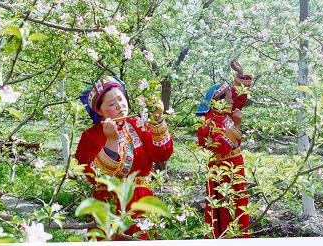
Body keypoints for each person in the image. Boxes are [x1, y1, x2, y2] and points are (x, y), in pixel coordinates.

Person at [75, 76, 173, 240]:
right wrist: (112, 140)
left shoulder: (138, 125)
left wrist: (157, 120)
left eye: (121, 99)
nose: (120, 106)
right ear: (99, 111)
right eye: (112, 104)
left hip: (142, 200)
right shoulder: (90, 136)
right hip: (110, 203)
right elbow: (96, 177)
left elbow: (162, 154)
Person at [196, 61, 252, 238]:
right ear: (218, 101)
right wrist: (236, 125)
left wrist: (241, 74)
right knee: (227, 207)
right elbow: (220, 147)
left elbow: (240, 97)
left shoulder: (224, 113)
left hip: (235, 166)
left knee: (238, 203)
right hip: (223, 170)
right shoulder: (208, 122)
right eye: (228, 96)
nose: (231, 99)